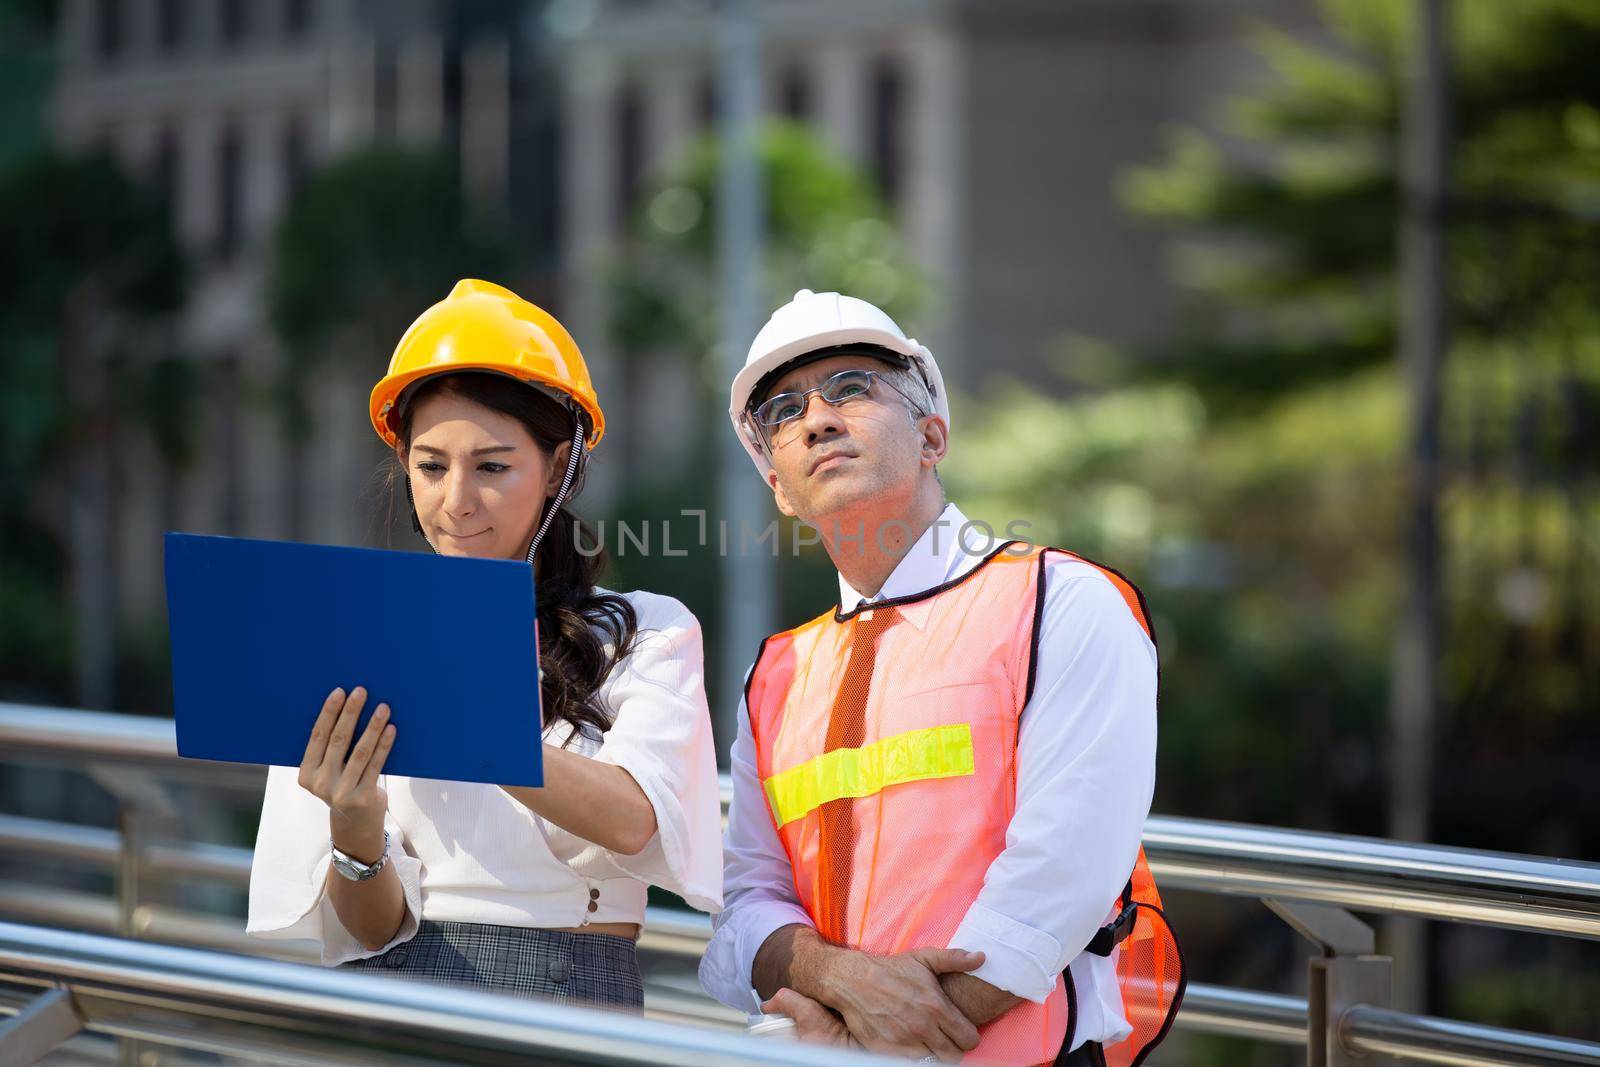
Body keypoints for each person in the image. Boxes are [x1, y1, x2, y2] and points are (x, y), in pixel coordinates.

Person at [699, 289, 1184, 1065]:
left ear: (933, 435)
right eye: (783, 411)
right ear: (782, 489)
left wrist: (875, 1042)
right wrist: (829, 975)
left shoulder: (1061, 600)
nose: (817, 418)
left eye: (852, 387)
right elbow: (745, 909)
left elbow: (1064, 877)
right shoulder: (776, 674)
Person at [247, 279, 722, 1012]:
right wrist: (354, 826)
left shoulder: (644, 630)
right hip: (390, 1011)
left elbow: (635, 819)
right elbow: (367, 931)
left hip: (568, 1003)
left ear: (558, 467)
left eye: (492, 466)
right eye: (431, 465)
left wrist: (467, 712)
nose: (456, 499)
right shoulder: (351, 632)